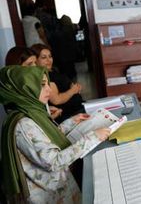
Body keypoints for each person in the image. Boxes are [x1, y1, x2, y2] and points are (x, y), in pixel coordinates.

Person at [0, 65, 111, 203]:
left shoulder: (31, 111)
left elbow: (44, 139)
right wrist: (93, 137)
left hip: (55, 188)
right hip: (49, 195)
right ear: (25, 89)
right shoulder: (24, 124)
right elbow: (53, 161)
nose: (49, 89)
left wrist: (71, 122)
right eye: (41, 85)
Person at [4, 46, 62, 120]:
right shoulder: (12, 93)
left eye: (35, 62)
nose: (34, 67)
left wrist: (46, 110)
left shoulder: (35, 82)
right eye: (29, 64)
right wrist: (46, 118)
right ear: (16, 69)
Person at [31, 43, 84, 122]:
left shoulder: (52, 70)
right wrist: (73, 90)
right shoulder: (45, 76)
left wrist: (72, 86)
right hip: (68, 115)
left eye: (50, 56)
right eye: (44, 57)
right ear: (35, 60)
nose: (49, 60)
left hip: (76, 109)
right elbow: (56, 100)